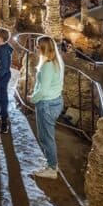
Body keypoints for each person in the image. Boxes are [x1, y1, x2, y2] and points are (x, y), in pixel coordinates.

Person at [30, 35, 65, 179]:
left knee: (46, 137)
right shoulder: (56, 62)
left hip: (46, 104)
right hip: (54, 101)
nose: (36, 48)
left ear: (43, 48)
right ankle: (51, 161)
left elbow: (43, 91)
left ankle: (52, 168)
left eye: (38, 46)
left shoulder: (48, 66)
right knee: (45, 136)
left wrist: (32, 98)